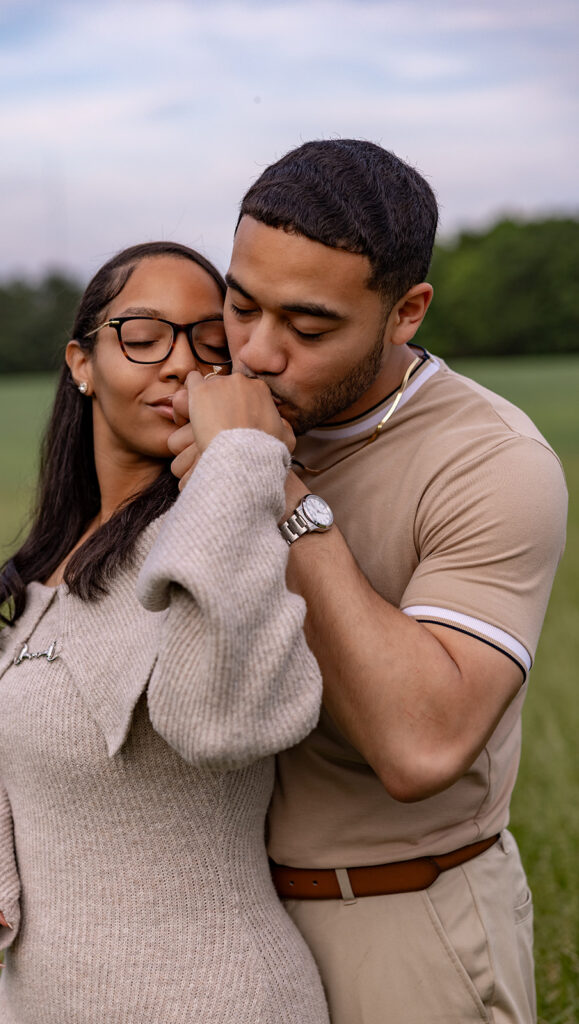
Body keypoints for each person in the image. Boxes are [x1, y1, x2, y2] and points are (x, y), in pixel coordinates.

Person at [166, 141, 568, 1024]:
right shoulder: (198, 399)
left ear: (406, 310)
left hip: (401, 926)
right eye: (240, 306)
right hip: (213, 935)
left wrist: (272, 485)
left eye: (308, 329)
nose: (258, 354)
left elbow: (419, 746)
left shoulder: (490, 464)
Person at [0, 241, 330, 1023]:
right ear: (82, 362)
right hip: (40, 1000)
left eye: (207, 345)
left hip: (210, 996)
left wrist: (239, 457)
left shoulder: (225, 543)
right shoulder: (56, 564)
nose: (177, 365)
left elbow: (214, 718)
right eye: (142, 336)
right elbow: (20, 719)